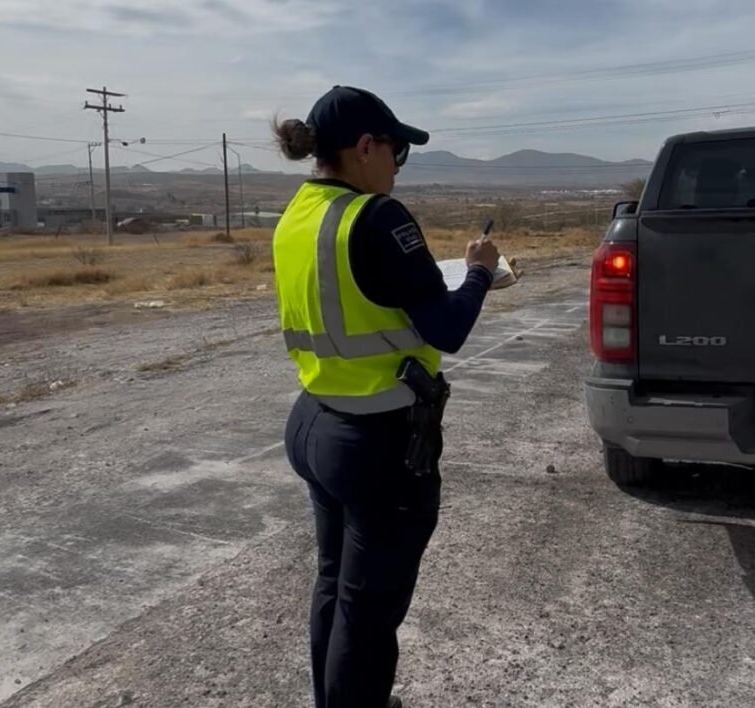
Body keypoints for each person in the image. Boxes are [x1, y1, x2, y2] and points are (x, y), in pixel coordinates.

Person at [271, 85, 502, 708]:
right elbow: (447, 328)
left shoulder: (297, 214)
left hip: (315, 421)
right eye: (397, 151)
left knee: (335, 583)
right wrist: (480, 271)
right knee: (368, 614)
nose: (398, 166)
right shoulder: (377, 217)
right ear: (365, 147)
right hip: (377, 443)